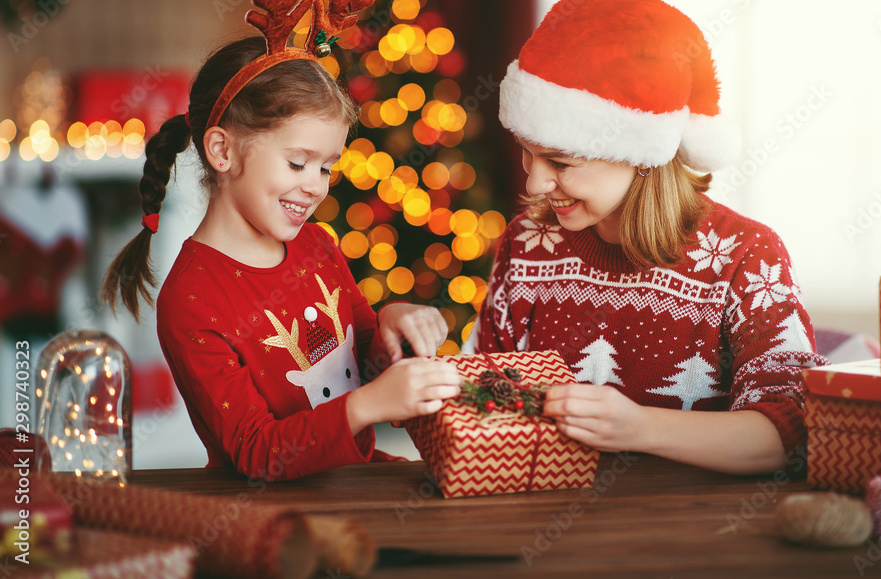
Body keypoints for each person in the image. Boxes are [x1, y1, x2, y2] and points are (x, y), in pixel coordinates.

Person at [464, 0, 828, 475]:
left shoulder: (746, 255)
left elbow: (788, 434)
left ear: (639, 153)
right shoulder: (527, 242)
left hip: (696, 534)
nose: (534, 183)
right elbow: (483, 399)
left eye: (561, 163)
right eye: (528, 154)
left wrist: (640, 428)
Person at [101, 6, 460, 481]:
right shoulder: (193, 302)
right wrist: (369, 405)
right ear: (223, 150)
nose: (316, 186)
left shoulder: (318, 244)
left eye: (326, 167)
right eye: (297, 163)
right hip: (280, 518)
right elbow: (257, 452)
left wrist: (392, 325)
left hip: (357, 480)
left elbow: (366, 362)